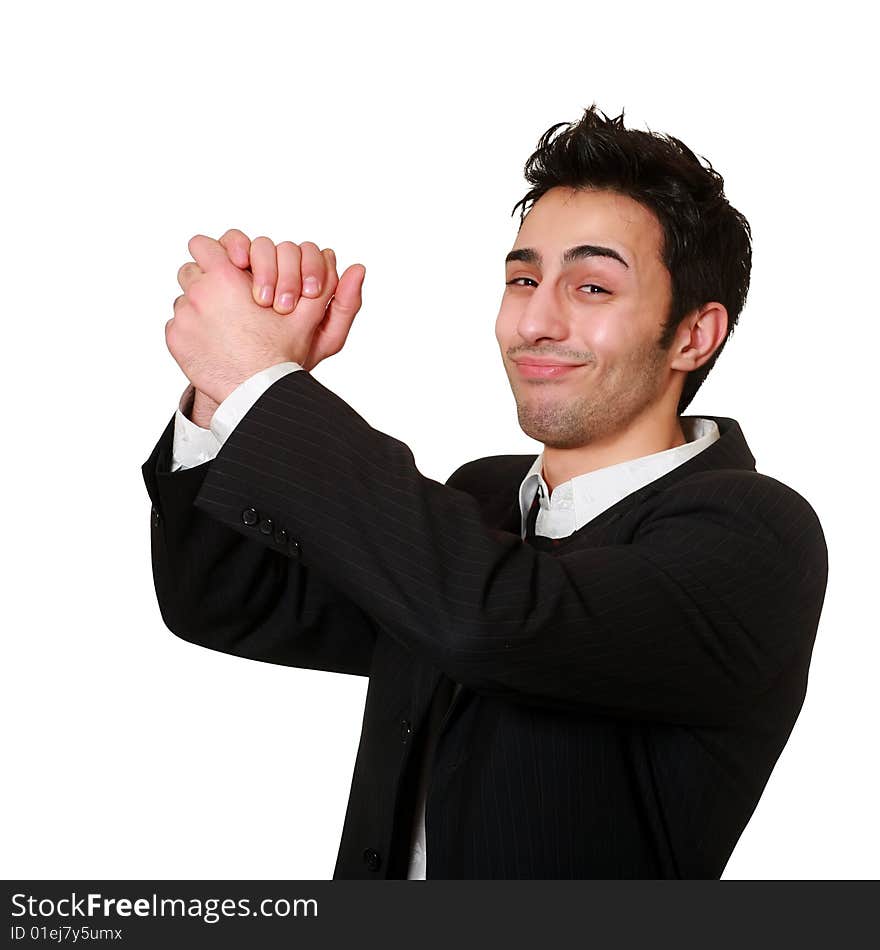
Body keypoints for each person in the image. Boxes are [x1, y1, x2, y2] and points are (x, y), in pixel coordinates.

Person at [142, 104, 829, 879]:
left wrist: (259, 386)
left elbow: (491, 618)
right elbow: (229, 601)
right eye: (524, 279)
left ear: (692, 335)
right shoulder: (483, 500)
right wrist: (215, 398)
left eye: (593, 287)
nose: (535, 320)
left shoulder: (756, 535)